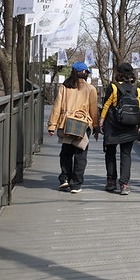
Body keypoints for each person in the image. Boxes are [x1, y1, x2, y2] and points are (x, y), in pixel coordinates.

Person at [47, 61, 98, 193]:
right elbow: (94, 110)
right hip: (82, 124)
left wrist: (52, 125)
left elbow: (57, 106)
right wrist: (96, 126)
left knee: (66, 152)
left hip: (66, 123)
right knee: (80, 155)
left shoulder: (64, 87)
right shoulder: (90, 89)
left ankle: (64, 178)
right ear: (84, 73)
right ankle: (76, 184)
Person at [98, 62, 140, 195]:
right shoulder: (137, 90)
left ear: (119, 73)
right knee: (126, 154)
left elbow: (106, 105)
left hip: (112, 126)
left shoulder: (113, 87)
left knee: (110, 153)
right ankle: (124, 184)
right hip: (130, 126)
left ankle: (111, 181)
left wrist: (101, 121)